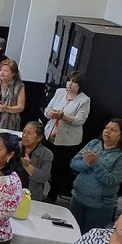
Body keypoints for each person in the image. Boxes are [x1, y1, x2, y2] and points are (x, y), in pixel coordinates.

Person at [69, 118, 122, 232]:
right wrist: (87, 164)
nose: (107, 131)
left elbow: (111, 181)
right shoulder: (94, 143)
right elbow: (74, 163)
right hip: (77, 197)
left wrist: (95, 164)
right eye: (106, 128)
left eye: (113, 130)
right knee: (70, 232)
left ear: (121, 136)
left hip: (99, 207)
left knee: (88, 238)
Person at [43, 72, 91, 201]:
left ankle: (52, 196)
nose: (70, 84)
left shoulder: (84, 100)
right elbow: (48, 109)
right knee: (45, 164)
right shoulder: (60, 92)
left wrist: (63, 116)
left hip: (67, 141)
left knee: (59, 170)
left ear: (80, 85)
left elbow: (80, 120)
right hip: (49, 135)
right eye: (69, 80)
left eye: (74, 82)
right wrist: (50, 113)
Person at [19, 121, 54, 201]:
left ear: (39, 138)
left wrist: (28, 166)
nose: (24, 135)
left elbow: (44, 177)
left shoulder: (46, 154)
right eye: (24, 132)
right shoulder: (16, 146)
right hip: (11, 190)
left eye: (29, 133)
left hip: (31, 194)